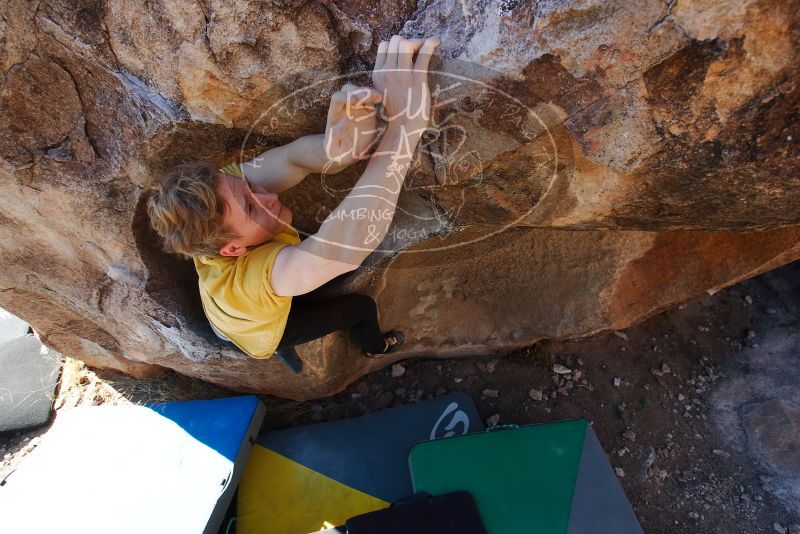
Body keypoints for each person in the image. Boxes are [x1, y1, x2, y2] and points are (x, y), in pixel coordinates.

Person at [146, 35, 441, 373]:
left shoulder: (221, 202)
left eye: (249, 185)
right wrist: (404, 128)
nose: (269, 197)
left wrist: (338, 149)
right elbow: (342, 251)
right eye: (254, 209)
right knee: (359, 307)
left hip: (232, 310)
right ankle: (374, 347)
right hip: (257, 331)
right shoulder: (251, 281)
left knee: (294, 281)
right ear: (231, 251)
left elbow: (292, 160)